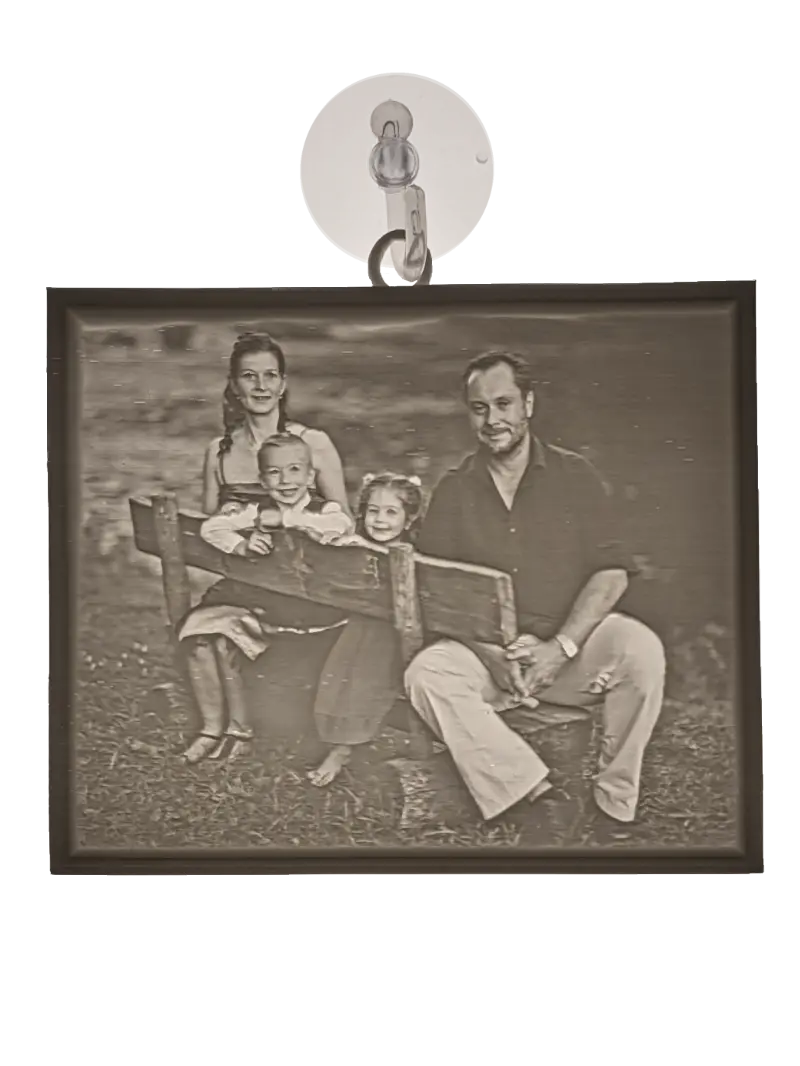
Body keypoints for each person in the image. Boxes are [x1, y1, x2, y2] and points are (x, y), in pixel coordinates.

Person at [404, 350, 666, 833]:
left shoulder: (574, 475)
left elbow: (612, 572)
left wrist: (560, 648)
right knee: (426, 674)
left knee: (640, 649)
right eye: (479, 408)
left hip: (566, 655)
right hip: (489, 658)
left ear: (528, 404)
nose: (492, 420)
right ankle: (537, 796)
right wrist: (491, 656)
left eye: (503, 404)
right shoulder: (454, 490)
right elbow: (434, 594)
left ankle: (613, 806)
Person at [176, 331, 353, 764]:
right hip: (247, 583)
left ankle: (237, 727)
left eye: (270, 375)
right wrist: (242, 541)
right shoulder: (218, 452)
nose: (260, 386)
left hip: (306, 588)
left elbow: (343, 524)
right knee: (200, 631)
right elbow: (211, 529)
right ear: (234, 386)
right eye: (249, 376)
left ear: (283, 383)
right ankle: (214, 729)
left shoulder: (312, 443)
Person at [306, 472, 425, 787]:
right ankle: (340, 738)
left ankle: (342, 748)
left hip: (399, 635)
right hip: (364, 626)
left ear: (410, 519)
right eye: (373, 511)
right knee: (348, 653)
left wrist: (358, 545)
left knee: (363, 655)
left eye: (391, 512)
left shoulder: (413, 552)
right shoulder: (355, 546)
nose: (380, 520)